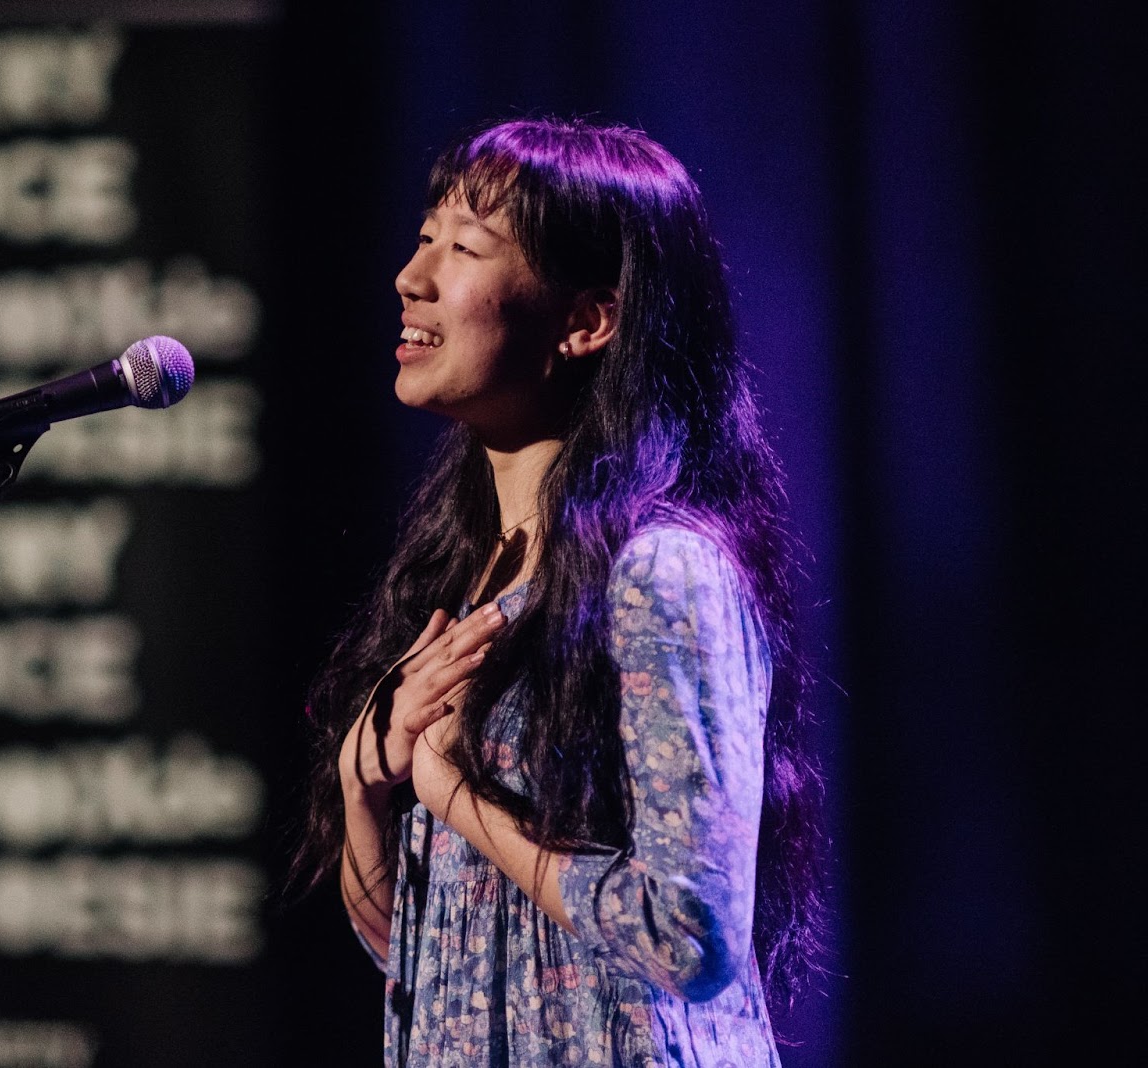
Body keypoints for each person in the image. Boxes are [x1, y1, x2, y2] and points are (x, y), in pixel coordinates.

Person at [292, 116, 826, 1067]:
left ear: (587, 321)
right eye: (424, 238)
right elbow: (428, 959)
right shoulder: (471, 579)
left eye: (464, 248)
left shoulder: (662, 572)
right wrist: (364, 780)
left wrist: (460, 799)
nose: (413, 278)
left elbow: (689, 938)